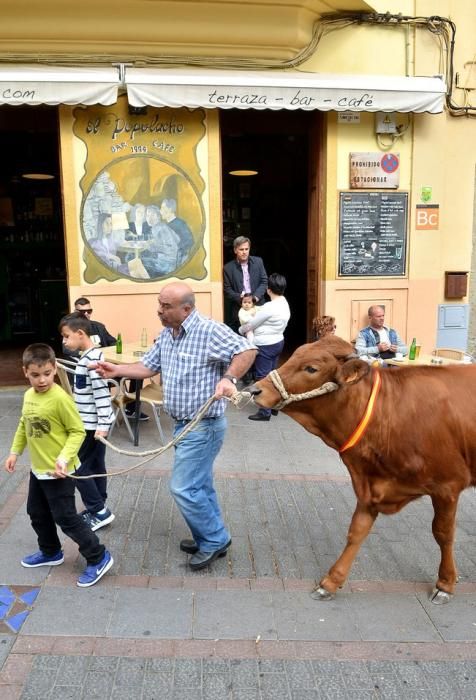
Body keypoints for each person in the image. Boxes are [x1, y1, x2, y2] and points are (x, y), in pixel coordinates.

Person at [93, 282, 256, 571]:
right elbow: (148, 367)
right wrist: (117, 370)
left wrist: (229, 378)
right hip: (183, 426)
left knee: (183, 488)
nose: (159, 310)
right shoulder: (168, 334)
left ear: (186, 308)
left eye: (165, 306)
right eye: (159, 304)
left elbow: (247, 350)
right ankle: (211, 534)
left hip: (203, 426)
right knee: (199, 486)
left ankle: (214, 539)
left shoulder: (209, 330)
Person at [4, 343, 113, 588]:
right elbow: (25, 425)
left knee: (66, 518)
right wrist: (14, 452)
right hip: (39, 470)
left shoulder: (60, 399)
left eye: (46, 374)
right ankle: (51, 551)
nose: (41, 380)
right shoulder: (29, 396)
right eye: (35, 375)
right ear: (25, 372)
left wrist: (63, 459)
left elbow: (77, 432)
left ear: (54, 369)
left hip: (60, 472)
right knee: (37, 513)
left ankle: (99, 556)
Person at [59, 313, 115, 532]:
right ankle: (98, 505)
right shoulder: (88, 357)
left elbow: (102, 395)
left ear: (80, 334)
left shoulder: (92, 361)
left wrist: (102, 425)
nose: (64, 341)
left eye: (66, 336)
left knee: (78, 467)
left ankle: (99, 511)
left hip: (91, 427)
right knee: (95, 466)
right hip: (90, 425)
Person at [69, 298, 148, 422]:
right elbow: (68, 350)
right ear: (75, 312)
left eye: (89, 311)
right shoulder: (71, 330)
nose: (86, 314)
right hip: (88, 372)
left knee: (136, 372)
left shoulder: (99, 327)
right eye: (82, 312)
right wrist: (89, 354)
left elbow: (114, 342)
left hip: (106, 369)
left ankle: (132, 409)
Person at [239, 273, 290, 422]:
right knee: (274, 375)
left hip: (265, 344)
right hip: (278, 341)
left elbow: (251, 324)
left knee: (262, 377)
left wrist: (240, 330)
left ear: (268, 289)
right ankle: (274, 406)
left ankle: (264, 410)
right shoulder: (284, 303)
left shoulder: (269, 307)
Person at [223, 236, 268, 332]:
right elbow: (227, 289)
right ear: (235, 250)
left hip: (258, 306)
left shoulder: (258, 262)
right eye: (241, 249)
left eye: (246, 249)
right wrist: (240, 297)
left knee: (259, 334)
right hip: (239, 308)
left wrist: (255, 297)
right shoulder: (228, 268)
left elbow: (264, 281)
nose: (244, 252)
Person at [160, 198, 194, 265]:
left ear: (169, 209)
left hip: (178, 260)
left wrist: (176, 249)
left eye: (162, 208)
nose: (160, 211)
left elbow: (190, 241)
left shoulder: (180, 224)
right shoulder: (165, 225)